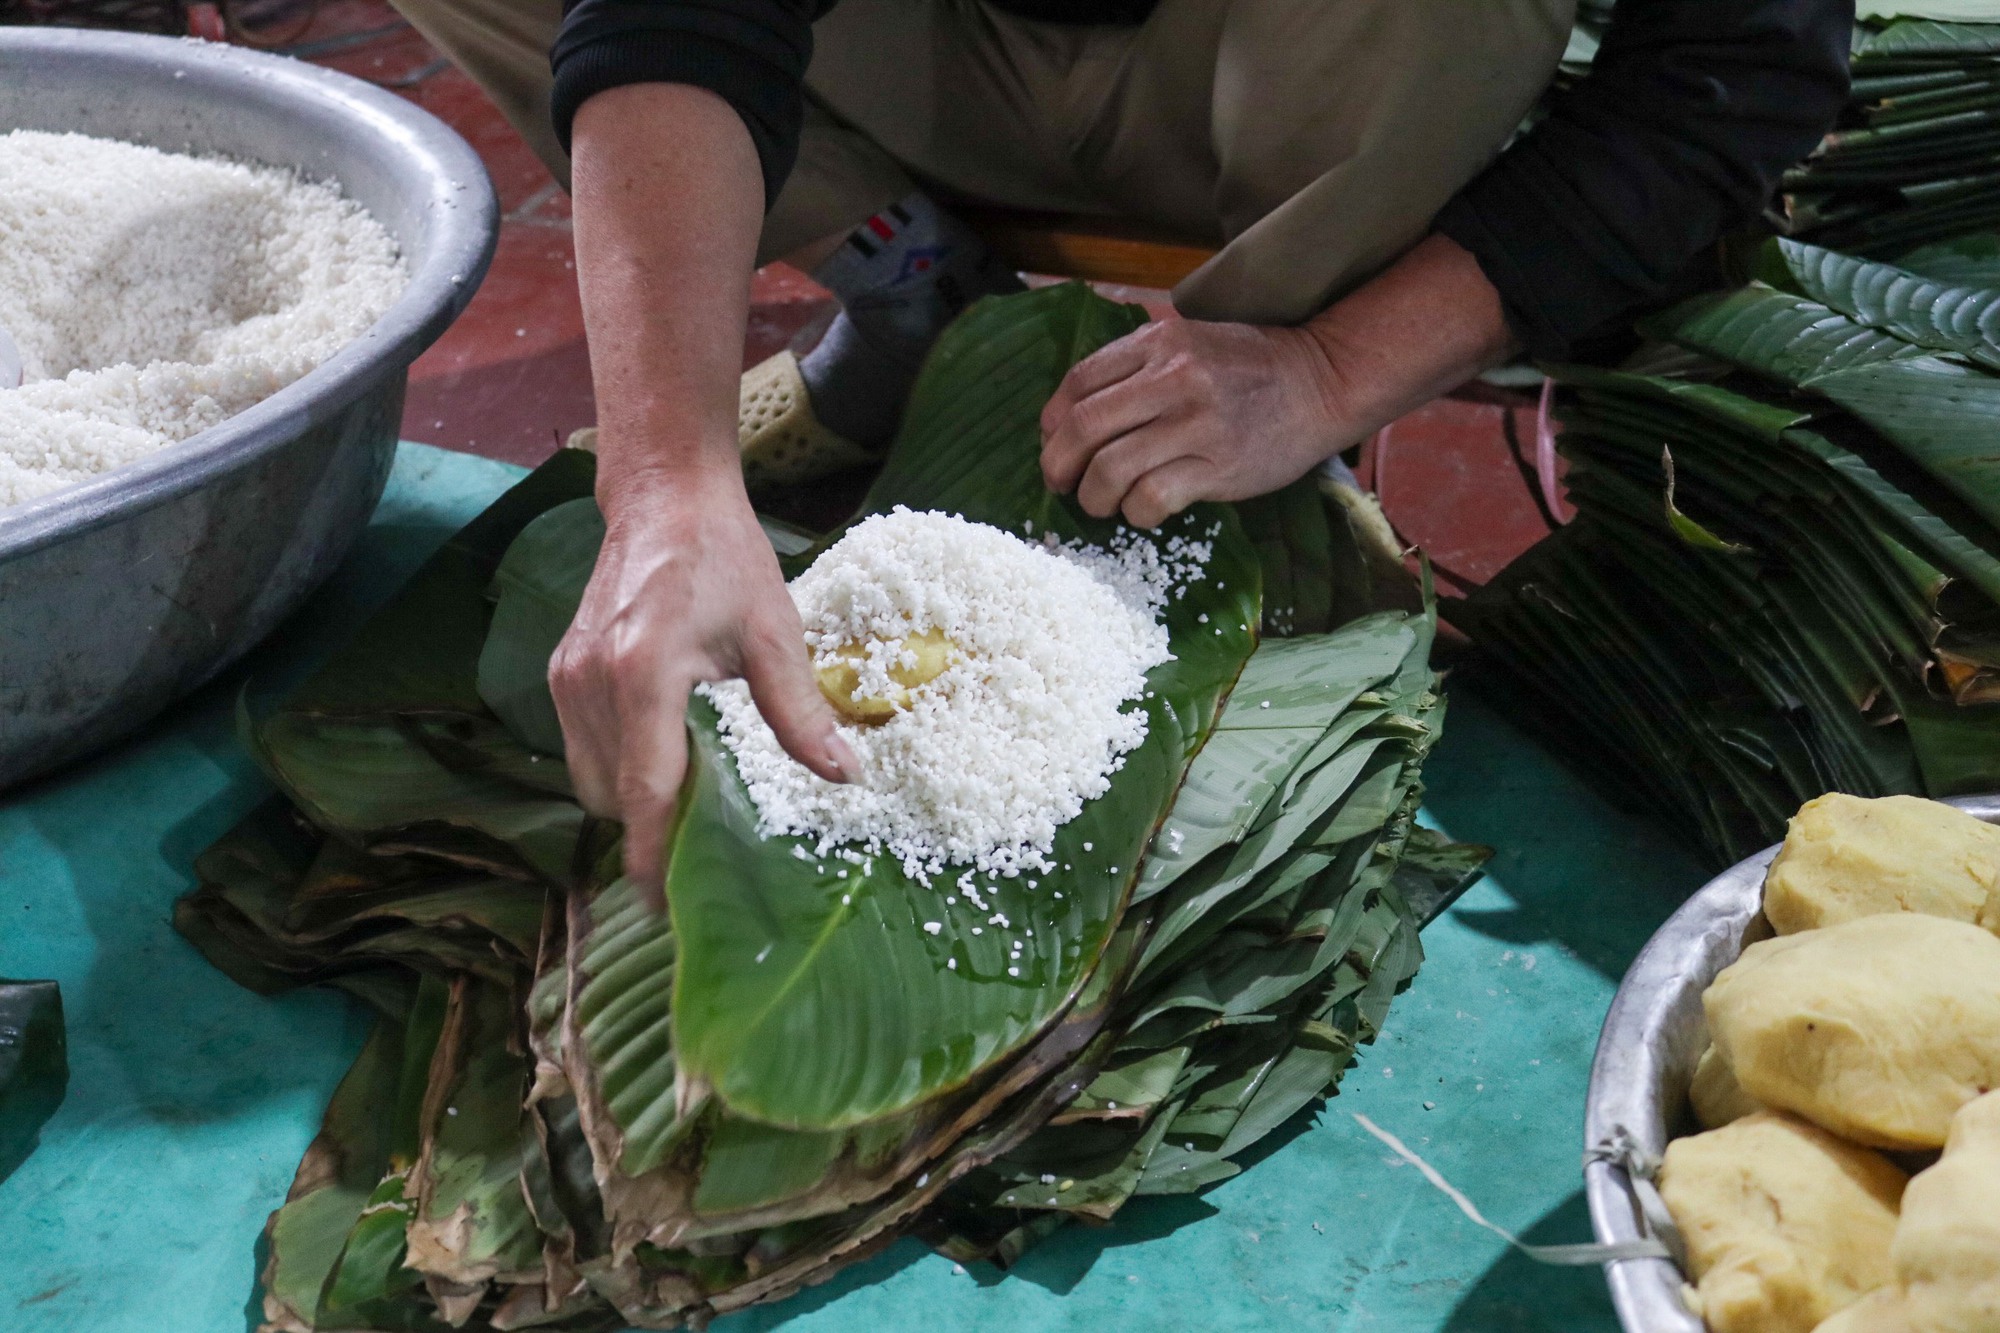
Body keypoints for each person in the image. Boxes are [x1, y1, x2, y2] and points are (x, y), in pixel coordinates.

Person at [385, 0, 1853, 885]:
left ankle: (1257, 410)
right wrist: (667, 478)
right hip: (937, 49)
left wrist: (1332, 369)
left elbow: (1727, 79)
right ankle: (916, 294)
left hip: (1293, 85)